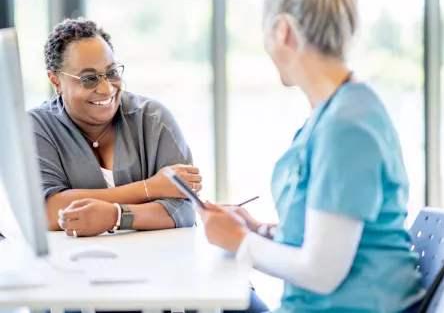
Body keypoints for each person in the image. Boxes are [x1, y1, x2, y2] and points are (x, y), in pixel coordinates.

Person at [198, 0, 425, 312]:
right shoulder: (338, 112)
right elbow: (331, 236)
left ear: (283, 31)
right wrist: (259, 231)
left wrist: (241, 242)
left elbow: (322, 272)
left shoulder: (346, 127)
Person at [31, 18, 268, 313]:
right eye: (89, 78)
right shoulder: (38, 127)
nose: (106, 88)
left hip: (168, 268)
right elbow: (49, 210)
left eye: (112, 73)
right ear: (56, 80)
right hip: (80, 278)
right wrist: (151, 188)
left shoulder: (152, 118)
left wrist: (116, 216)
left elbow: (182, 209)